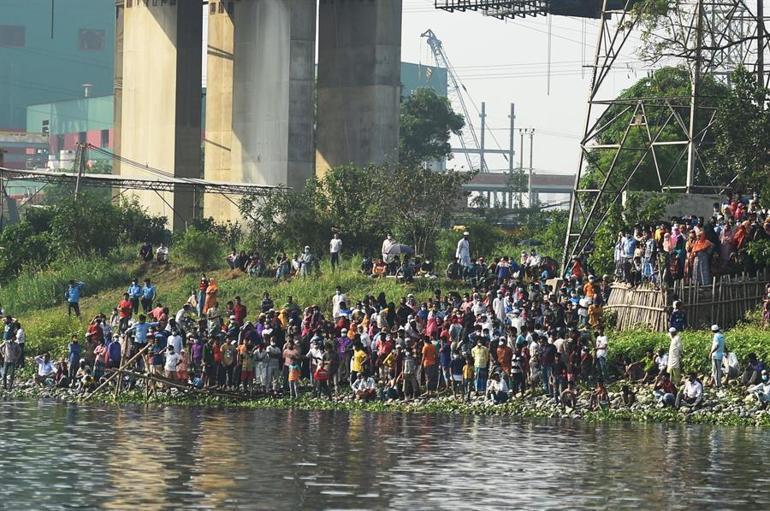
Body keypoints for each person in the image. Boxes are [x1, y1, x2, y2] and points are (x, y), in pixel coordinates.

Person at [710, 324, 725, 388]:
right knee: (717, 369)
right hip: (720, 355)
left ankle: (718, 384)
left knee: (717, 370)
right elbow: (724, 345)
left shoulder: (716, 336)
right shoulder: (721, 335)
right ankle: (715, 382)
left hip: (716, 355)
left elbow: (717, 345)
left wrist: (711, 352)